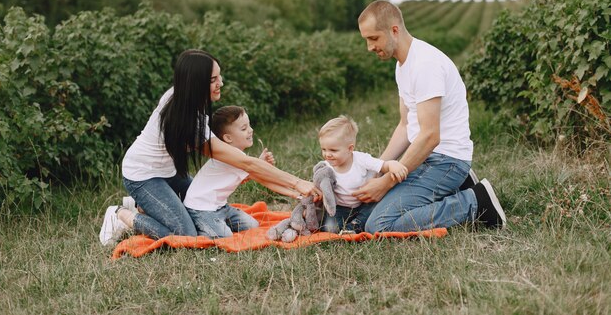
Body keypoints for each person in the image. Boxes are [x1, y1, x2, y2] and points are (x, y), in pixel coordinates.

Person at [99, 49, 319, 246]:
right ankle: (122, 216)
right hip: (142, 176)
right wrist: (298, 183)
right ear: (195, 83)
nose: (220, 83)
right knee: (186, 233)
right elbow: (246, 163)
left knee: (198, 207)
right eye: (213, 79)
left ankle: (144, 204)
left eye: (219, 75)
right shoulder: (186, 119)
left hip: (170, 172)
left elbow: (248, 169)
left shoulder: (185, 98)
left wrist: (294, 190)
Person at [352, 0, 506, 233]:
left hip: (446, 160)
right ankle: (459, 187)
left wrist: (386, 183)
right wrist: (379, 169)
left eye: (373, 38)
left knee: (379, 225)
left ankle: (475, 202)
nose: (369, 47)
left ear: (394, 30)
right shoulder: (402, 65)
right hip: (425, 158)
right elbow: (405, 125)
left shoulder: (425, 65)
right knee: (363, 214)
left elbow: (431, 136)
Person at [184, 105, 300, 238]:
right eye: (244, 128)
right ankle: (199, 226)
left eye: (249, 126)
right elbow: (264, 179)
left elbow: (246, 174)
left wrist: (260, 162)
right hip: (201, 209)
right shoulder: (232, 159)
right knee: (223, 236)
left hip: (221, 207)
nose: (250, 130)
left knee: (252, 225)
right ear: (228, 138)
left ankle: (218, 223)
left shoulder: (236, 157)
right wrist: (295, 194)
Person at [318, 115, 408, 233]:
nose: (327, 154)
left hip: (363, 204)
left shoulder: (361, 159)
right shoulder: (326, 166)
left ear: (350, 149)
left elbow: (381, 165)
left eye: (333, 150)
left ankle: (355, 226)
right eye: (324, 149)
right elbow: (319, 185)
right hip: (339, 207)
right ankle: (343, 227)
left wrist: (391, 165)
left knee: (374, 208)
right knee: (329, 229)